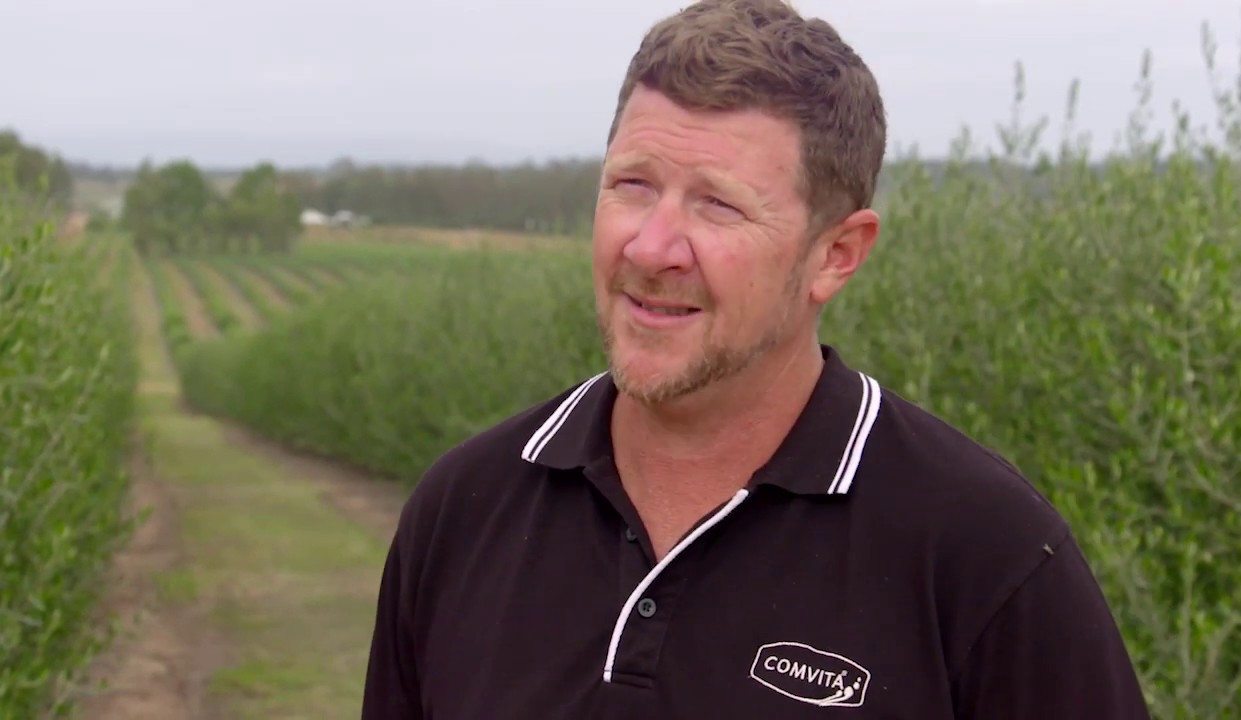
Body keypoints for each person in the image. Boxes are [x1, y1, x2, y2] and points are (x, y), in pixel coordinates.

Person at [361, 1, 1152, 717]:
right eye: (632, 185)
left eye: (718, 204)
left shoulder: (988, 553)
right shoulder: (463, 510)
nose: (651, 246)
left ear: (836, 255)